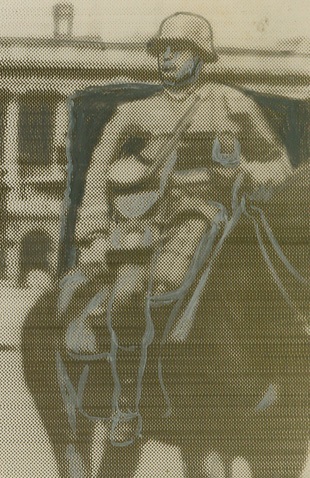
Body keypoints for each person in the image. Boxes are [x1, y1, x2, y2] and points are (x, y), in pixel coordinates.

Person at [58, 12, 291, 446]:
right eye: (160, 50)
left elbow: (280, 165)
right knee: (132, 294)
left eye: (176, 49)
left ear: (201, 57)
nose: (165, 57)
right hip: (143, 225)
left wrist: (242, 169)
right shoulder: (134, 112)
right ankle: (126, 403)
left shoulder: (232, 104)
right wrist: (91, 232)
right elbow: (97, 166)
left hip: (209, 216)